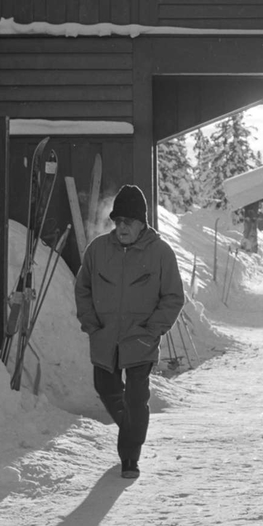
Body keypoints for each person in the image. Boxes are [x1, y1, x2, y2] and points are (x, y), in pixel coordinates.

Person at [74, 184, 184, 480]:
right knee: (106, 389)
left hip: (140, 339)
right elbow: (82, 288)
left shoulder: (160, 253)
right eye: (117, 221)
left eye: (128, 222)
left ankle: (129, 458)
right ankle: (132, 431)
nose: (121, 227)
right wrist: (91, 324)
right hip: (105, 338)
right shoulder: (97, 250)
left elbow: (173, 297)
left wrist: (153, 330)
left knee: (136, 399)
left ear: (142, 223)